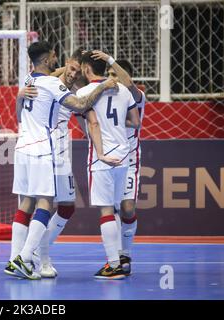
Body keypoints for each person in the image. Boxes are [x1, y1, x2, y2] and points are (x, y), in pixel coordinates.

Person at [6, 41, 118, 280]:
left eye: (78, 71)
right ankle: (26, 257)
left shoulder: (33, 81)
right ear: (64, 63)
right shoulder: (54, 84)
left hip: (44, 152)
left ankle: (29, 257)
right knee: (43, 205)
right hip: (43, 152)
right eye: (71, 67)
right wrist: (105, 85)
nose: (72, 72)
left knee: (57, 206)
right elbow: (77, 102)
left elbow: (87, 119)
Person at [76, 51, 140, 280]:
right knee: (116, 208)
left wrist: (101, 150)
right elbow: (135, 122)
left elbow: (91, 122)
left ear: (85, 69)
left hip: (102, 158)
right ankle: (119, 260)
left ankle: (114, 265)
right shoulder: (123, 90)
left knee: (106, 211)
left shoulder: (83, 93)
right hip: (124, 155)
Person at [92, 51, 146, 276]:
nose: (112, 78)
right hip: (108, 157)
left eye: (116, 74)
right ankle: (114, 258)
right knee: (110, 209)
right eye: (109, 74)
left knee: (127, 207)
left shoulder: (136, 95)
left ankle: (126, 253)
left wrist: (110, 60)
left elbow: (134, 120)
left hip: (130, 158)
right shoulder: (103, 94)